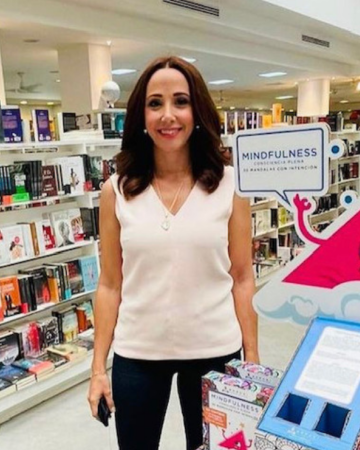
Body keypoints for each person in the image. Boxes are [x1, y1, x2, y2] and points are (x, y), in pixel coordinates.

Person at [88, 56, 258, 450]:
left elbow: (242, 277)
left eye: (181, 101)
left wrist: (251, 358)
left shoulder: (231, 185)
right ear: (141, 116)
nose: (168, 115)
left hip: (215, 348)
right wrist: (97, 369)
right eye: (155, 103)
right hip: (138, 351)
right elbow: (110, 284)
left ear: (197, 111)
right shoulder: (116, 191)